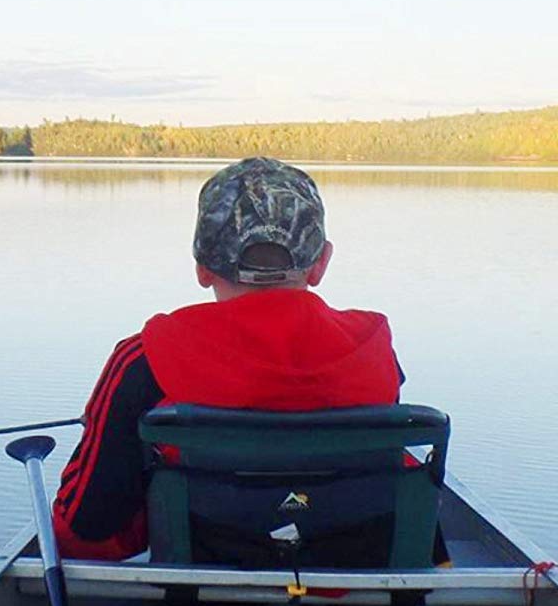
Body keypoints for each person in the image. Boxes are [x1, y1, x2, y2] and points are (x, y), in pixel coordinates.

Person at [52, 156, 403, 561]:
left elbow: (87, 527)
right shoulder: (375, 352)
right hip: (349, 588)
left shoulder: (144, 360)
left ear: (202, 266)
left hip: (200, 604)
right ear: (321, 263)